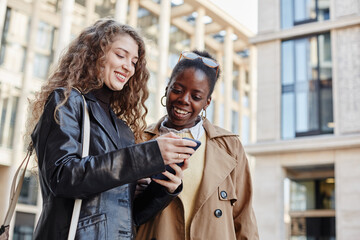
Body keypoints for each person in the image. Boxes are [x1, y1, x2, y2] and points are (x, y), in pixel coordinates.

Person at [27, 18, 196, 239]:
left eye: (134, 61)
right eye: (120, 55)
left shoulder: (123, 129)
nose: (129, 67)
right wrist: (150, 154)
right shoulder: (67, 102)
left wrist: (164, 190)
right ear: (95, 55)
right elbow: (62, 176)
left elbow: (126, 217)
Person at [135, 50, 259, 240]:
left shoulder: (230, 147)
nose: (184, 100)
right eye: (177, 90)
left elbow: (244, 218)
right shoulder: (139, 140)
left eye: (196, 96)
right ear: (166, 89)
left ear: (207, 103)